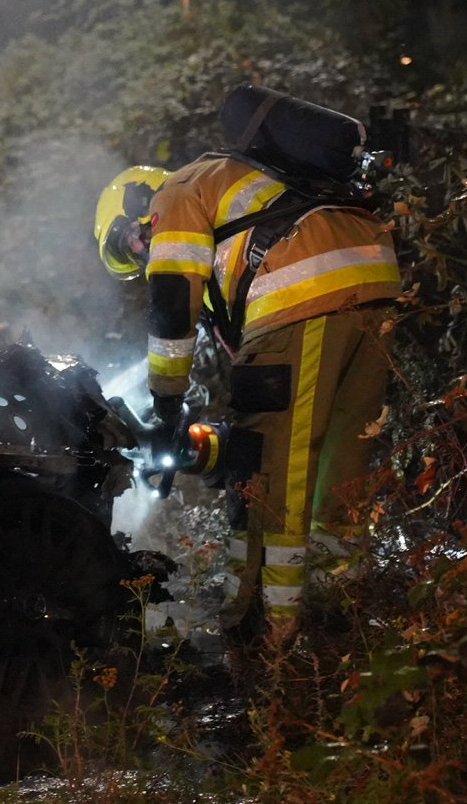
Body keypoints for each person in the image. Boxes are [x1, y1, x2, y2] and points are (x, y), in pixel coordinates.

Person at [95, 135, 400, 645]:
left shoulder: (174, 195)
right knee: (340, 467)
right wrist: (197, 440)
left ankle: (267, 632)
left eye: (130, 244)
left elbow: (172, 303)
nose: (143, 258)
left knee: (271, 470)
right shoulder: (235, 185)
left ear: (137, 208)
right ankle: (339, 614)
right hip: (375, 277)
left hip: (305, 289)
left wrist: (167, 404)